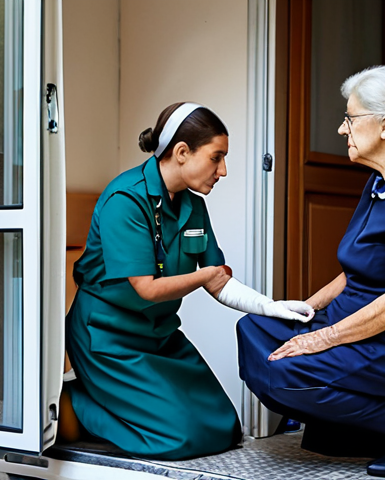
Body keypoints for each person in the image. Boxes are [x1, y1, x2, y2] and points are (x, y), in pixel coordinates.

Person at [58, 102, 314, 460]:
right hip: (107, 336)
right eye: (216, 157)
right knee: (180, 438)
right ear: (182, 153)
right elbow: (146, 288)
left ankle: (106, 404)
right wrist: (203, 275)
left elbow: (219, 281)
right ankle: (73, 403)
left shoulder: (192, 206)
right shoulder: (125, 200)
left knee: (225, 427)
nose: (223, 170)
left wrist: (271, 307)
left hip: (159, 334)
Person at [236, 66, 385, 477]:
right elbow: (354, 272)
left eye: (350, 118)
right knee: (254, 330)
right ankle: (358, 422)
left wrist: (322, 339)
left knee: (284, 375)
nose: (340, 129)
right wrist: (301, 311)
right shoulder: (379, 181)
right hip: (353, 322)